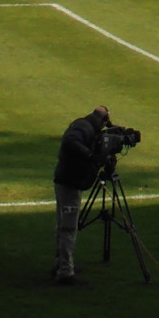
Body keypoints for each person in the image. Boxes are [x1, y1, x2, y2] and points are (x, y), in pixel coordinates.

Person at [52, 105, 110, 285]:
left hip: (67, 180)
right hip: (69, 183)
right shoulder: (84, 127)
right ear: (102, 120)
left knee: (64, 225)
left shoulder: (84, 125)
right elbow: (70, 141)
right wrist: (91, 155)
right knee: (68, 227)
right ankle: (65, 273)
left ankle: (61, 264)